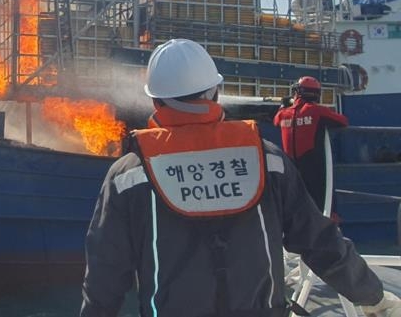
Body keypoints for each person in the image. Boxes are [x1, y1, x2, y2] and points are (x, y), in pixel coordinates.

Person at [80, 39, 400, 317]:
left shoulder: (130, 175)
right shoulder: (266, 158)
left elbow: (105, 276)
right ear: (215, 93)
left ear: (155, 100)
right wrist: (373, 296)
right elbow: (319, 241)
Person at [273, 76, 349, 211]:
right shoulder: (316, 111)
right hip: (313, 170)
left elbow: (276, 121)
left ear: (297, 92)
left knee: (294, 206)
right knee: (318, 205)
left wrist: (283, 106)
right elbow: (342, 121)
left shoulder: (284, 114)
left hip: (290, 169)